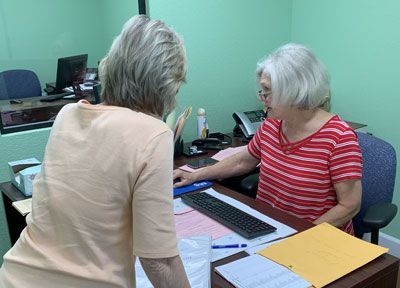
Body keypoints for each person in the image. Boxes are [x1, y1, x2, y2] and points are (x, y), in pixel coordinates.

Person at [0, 15, 190, 288]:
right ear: (166, 83)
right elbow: (159, 261)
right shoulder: (154, 134)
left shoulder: (68, 114)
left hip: (16, 276)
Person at [174, 43, 362, 235]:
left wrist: (303, 235)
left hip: (314, 238)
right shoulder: (272, 124)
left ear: (295, 90)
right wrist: (196, 175)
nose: (261, 98)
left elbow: (349, 205)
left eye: (267, 91)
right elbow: (243, 160)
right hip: (270, 229)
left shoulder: (339, 138)